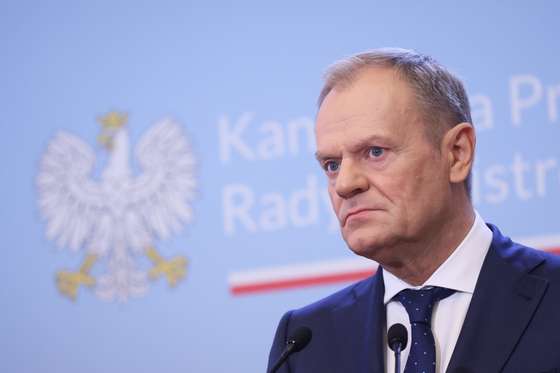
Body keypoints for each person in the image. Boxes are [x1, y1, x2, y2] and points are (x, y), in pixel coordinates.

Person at [267, 48, 560, 373]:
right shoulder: (305, 343)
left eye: (375, 152)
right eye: (332, 165)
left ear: (457, 154)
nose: (344, 184)